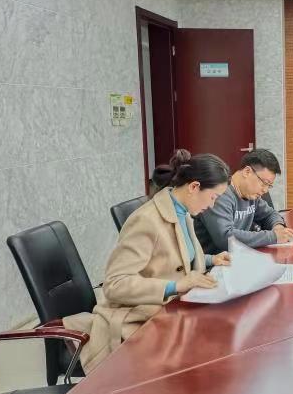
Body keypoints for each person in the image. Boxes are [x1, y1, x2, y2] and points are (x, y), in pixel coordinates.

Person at [64, 150, 232, 372]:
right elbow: (115, 284)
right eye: (213, 197)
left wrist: (211, 259)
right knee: (205, 354)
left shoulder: (182, 211)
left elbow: (176, 255)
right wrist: (175, 286)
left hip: (166, 313)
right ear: (194, 187)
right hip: (137, 321)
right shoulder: (146, 220)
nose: (212, 205)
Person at [195, 148, 293, 252]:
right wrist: (273, 237)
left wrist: (278, 227)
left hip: (239, 255)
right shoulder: (220, 194)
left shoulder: (251, 195)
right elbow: (226, 238)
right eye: (264, 183)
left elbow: (270, 214)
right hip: (215, 259)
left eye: (269, 185)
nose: (265, 190)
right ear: (247, 172)